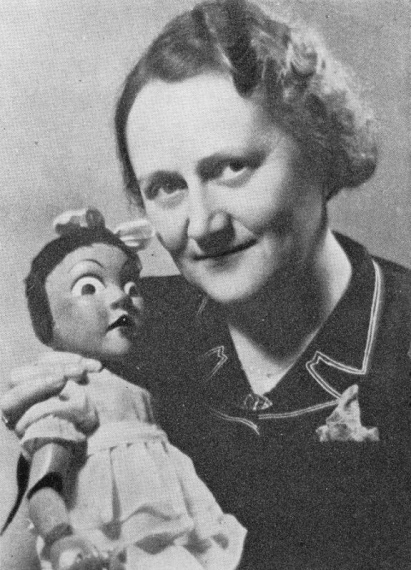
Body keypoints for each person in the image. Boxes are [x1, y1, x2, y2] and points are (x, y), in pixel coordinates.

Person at [2, 0, 411, 568]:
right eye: (166, 187)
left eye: (232, 168)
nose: (202, 225)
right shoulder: (131, 327)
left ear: (322, 149)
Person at [3, 208, 245, 570]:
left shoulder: (145, 386)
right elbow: (44, 485)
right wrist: (60, 538)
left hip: (173, 536)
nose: (122, 297)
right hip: (105, 545)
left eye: (132, 286)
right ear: (46, 324)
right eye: (89, 287)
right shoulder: (68, 385)